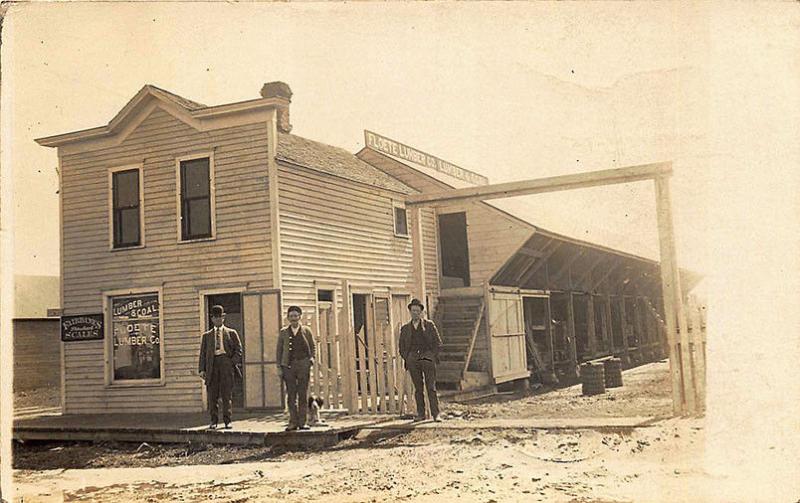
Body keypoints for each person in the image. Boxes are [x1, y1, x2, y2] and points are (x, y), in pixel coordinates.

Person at [398, 298, 443, 422]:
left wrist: (432, 356)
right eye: (413, 311)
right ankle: (421, 414)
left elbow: (438, 343)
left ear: (422, 312)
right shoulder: (405, 329)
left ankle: (436, 414)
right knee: (418, 388)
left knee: (431, 387)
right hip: (413, 359)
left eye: (418, 311)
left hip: (427, 357)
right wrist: (407, 357)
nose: (415, 313)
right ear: (410, 312)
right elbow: (401, 347)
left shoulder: (429, 325)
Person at [198, 305, 242, 430]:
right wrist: (202, 369)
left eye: (220, 317)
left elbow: (239, 350)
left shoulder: (231, 333)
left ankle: (227, 421)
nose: (217, 320)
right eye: (215, 317)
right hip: (212, 365)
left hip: (226, 364)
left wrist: (231, 362)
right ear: (212, 319)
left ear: (224, 318)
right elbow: (203, 353)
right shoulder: (207, 336)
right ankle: (213, 421)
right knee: (213, 395)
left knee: (227, 394)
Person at [276, 305, 316, 431]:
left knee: (303, 394)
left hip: (303, 365)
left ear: (300, 317)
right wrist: (279, 367)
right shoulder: (283, 332)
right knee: (291, 395)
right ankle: (293, 422)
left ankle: (303, 422)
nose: (293, 318)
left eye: (296, 316)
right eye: (291, 316)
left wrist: (311, 359)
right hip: (288, 366)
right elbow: (279, 351)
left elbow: (313, 347)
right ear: (288, 318)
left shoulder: (306, 331)